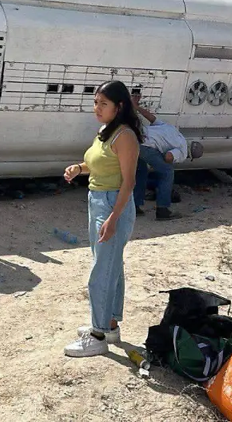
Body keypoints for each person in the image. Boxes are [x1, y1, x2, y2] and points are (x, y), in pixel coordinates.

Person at [63, 80, 142, 357]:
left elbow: (128, 182)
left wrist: (113, 218)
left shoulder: (125, 137)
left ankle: (97, 336)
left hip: (113, 204)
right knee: (111, 266)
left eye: (103, 104)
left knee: (101, 271)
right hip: (97, 200)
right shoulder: (105, 132)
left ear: (119, 107)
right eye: (96, 102)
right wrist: (79, 167)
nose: (97, 108)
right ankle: (109, 325)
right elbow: (98, 163)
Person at [130, 93, 186, 220]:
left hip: (133, 137)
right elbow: (168, 156)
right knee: (167, 172)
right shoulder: (183, 151)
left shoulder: (171, 129)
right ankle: (163, 210)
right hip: (145, 146)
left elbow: (151, 117)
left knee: (141, 171)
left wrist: (136, 107)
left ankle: (135, 206)